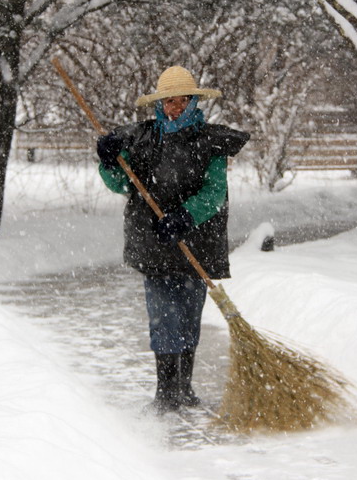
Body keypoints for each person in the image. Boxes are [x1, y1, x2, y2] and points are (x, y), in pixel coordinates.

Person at [97, 66, 249, 413]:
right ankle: (166, 392)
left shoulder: (210, 141)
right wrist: (108, 162)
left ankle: (184, 388)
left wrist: (184, 217)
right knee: (163, 316)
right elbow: (123, 184)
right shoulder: (142, 139)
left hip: (195, 243)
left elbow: (214, 193)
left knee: (188, 316)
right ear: (159, 103)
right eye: (168, 101)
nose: (174, 108)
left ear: (193, 101)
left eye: (182, 101)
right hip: (155, 245)